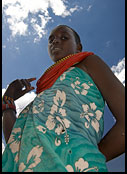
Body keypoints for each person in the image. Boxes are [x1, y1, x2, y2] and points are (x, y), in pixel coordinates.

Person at [2, 25, 125, 172]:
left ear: (78, 47)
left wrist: (86, 156)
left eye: (64, 37)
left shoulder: (88, 63)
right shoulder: (42, 97)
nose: (55, 41)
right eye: (51, 39)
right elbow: (15, 144)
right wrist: (8, 99)